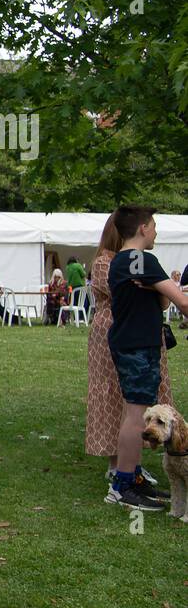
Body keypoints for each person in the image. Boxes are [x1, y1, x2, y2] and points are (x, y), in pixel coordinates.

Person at [104, 206, 185, 510]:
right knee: (137, 415)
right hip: (137, 346)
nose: (155, 231)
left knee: (136, 411)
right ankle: (122, 486)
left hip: (135, 344)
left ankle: (132, 476)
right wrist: (159, 284)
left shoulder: (123, 261)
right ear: (141, 228)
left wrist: (154, 285)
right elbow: (179, 301)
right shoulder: (141, 259)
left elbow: (162, 301)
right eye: (153, 226)